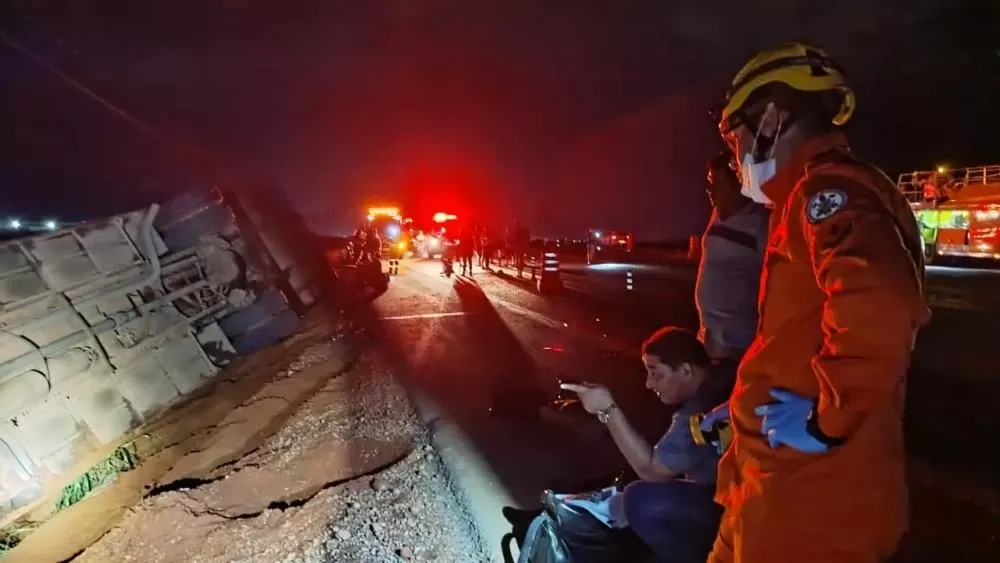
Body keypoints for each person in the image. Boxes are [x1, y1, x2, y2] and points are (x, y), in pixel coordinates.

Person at [708, 43, 930, 562]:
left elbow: (881, 299)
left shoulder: (825, 193)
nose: (736, 157)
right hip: (771, 485)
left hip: (810, 506)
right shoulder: (805, 198)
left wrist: (825, 420)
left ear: (770, 119)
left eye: (735, 137)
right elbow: (798, 336)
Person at [562, 327, 734, 562]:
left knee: (640, 500)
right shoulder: (727, 372)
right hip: (732, 492)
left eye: (656, 373)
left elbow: (652, 471)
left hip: (731, 508)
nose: (649, 384)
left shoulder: (697, 413)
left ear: (686, 370)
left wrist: (607, 408)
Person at [697, 151, 769, 363]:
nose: (709, 190)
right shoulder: (717, 215)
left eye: (716, 184)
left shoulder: (760, 224)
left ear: (739, 184)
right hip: (708, 332)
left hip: (734, 340)